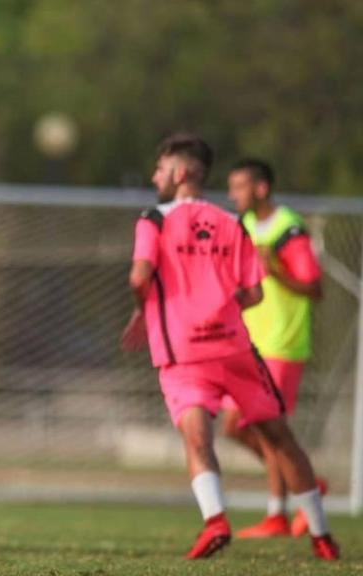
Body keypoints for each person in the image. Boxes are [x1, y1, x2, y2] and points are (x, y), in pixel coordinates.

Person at [120, 133, 338, 561]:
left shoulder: (154, 219)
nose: (154, 177)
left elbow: (138, 276)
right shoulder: (231, 223)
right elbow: (254, 293)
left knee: (197, 436)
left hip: (183, 353)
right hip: (235, 349)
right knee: (281, 437)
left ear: (180, 173)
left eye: (160, 169)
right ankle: (321, 536)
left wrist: (143, 309)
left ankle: (216, 520)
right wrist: (221, 305)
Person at [222, 159, 325, 538]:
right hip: (250, 342)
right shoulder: (243, 227)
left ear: (261, 188)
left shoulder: (288, 231)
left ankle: (277, 514)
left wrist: (277, 269)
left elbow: (315, 289)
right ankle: (308, 483)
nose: (233, 195)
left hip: (283, 343)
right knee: (233, 427)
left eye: (240, 187)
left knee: (271, 430)